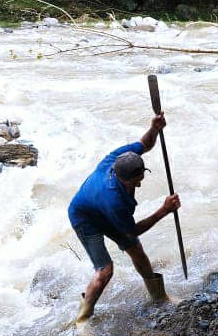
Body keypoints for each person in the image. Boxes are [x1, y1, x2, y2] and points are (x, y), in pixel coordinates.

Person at [68, 114, 181, 323]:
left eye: (141, 178)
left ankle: (159, 297)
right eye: (135, 182)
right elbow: (133, 231)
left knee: (136, 251)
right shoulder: (115, 200)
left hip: (100, 208)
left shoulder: (119, 158)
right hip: (85, 217)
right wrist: (164, 210)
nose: (139, 185)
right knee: (105, 271)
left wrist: (154, 128)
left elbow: (144, 144)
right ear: (122, 179)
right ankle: (83, 318)